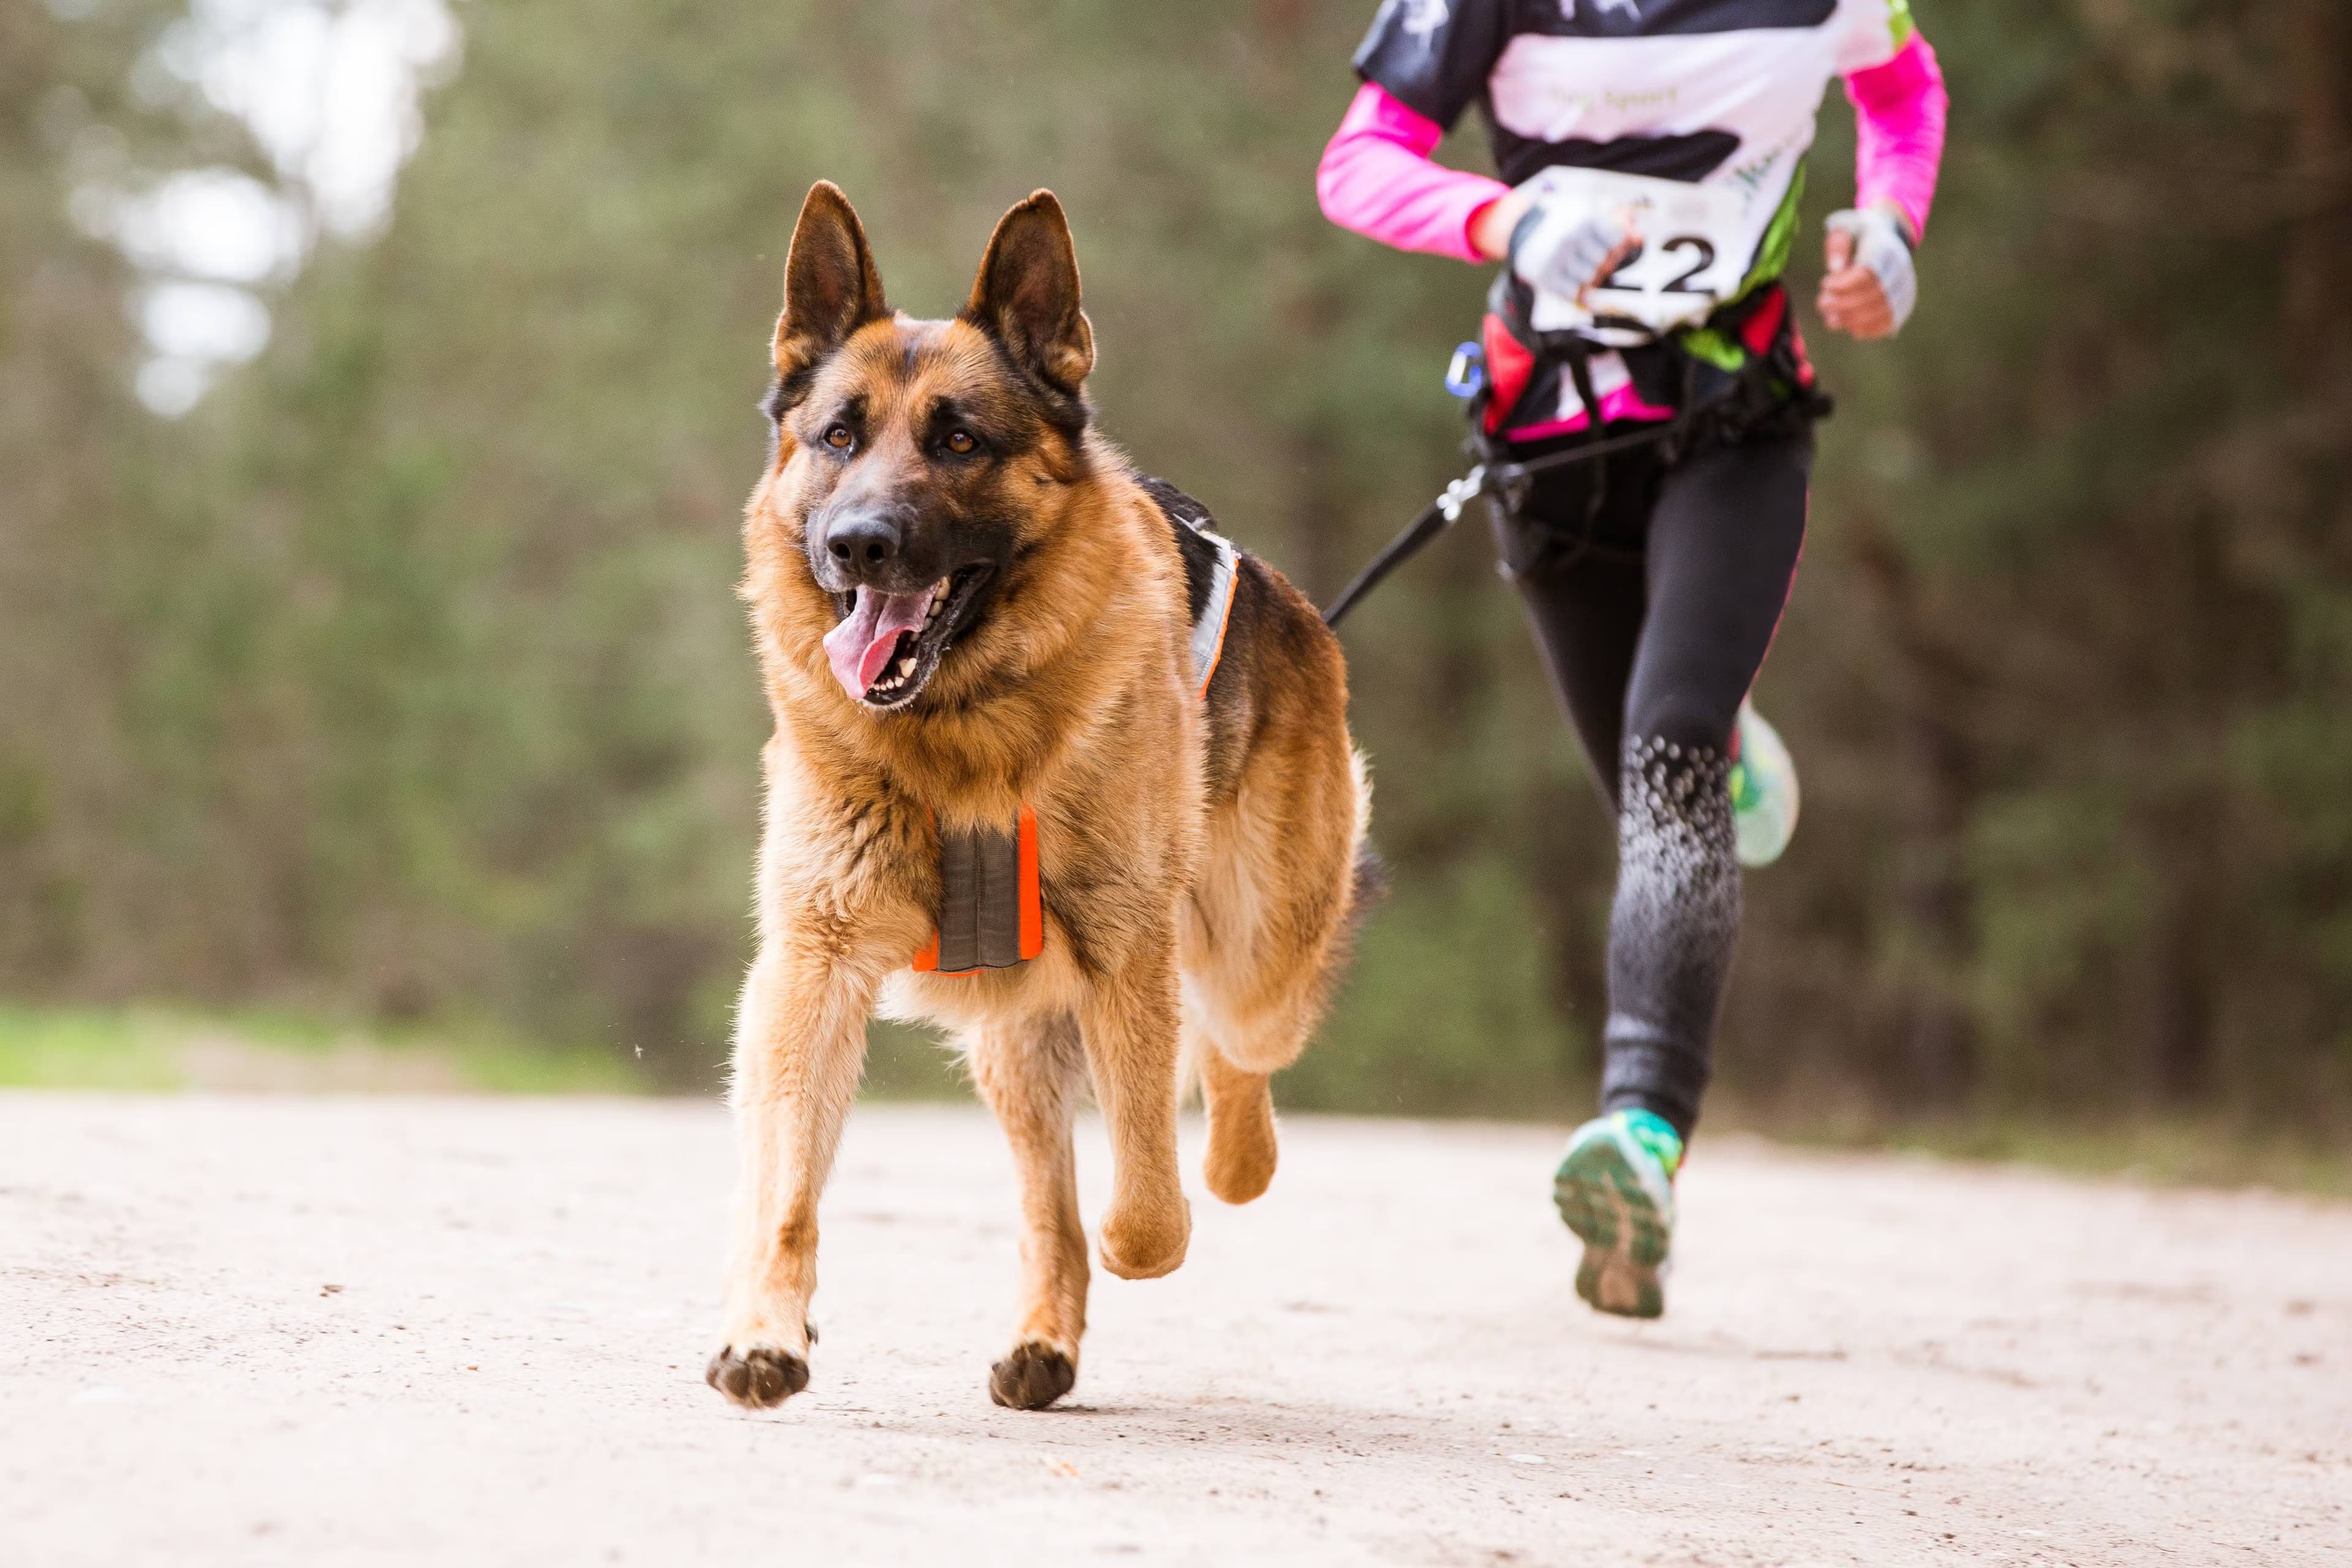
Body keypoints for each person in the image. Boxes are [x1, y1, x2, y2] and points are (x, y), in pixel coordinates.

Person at [1317, 0, 1947, 1317]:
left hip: (1738, 426)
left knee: (1668, 765)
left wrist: (1892, 227)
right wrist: (1507, 220)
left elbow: (1904, 92)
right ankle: (1722, 738)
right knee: (1651, 790)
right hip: (1547, 446)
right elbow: (1358, 164)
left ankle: (1642, 1137)